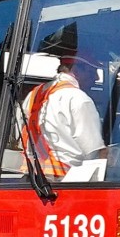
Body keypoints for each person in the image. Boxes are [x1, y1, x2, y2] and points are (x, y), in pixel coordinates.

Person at [19, 51, 106, 179]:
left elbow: (20, 135)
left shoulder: (34, 94)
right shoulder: (78, 98)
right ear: (76, 69)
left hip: (30, 177)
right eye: (92, 71)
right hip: (64, 180)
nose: (96, 78)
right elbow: (93, 152)